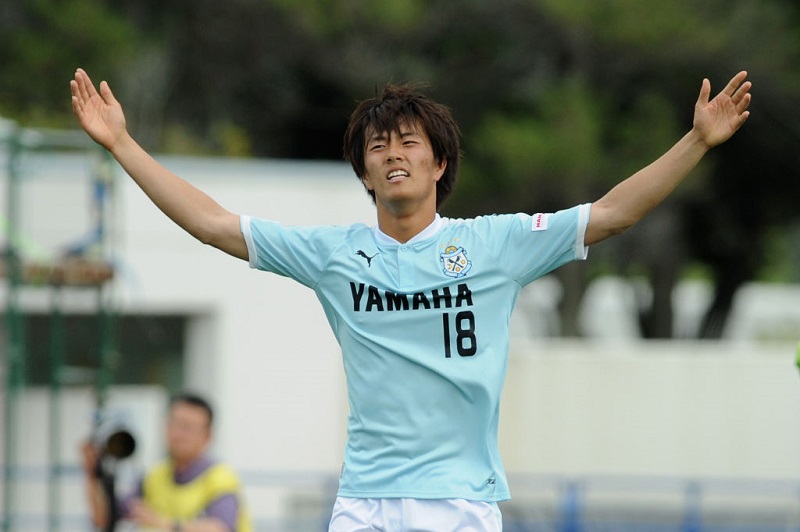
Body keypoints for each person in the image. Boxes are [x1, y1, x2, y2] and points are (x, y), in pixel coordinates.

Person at [71, 67, 752, 531]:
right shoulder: (334, 254)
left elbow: (611, 215)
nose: (392, 153)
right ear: (365, 173)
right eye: (378, 146)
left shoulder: (494, 245)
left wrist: (697, 140)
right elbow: (214, 224)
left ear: (439, 162)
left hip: (459, 506)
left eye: (407, 142)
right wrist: (123, 144)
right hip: (364, 504)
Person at [82, 393, 252, 532]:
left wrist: (165, 524)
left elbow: (222, 528)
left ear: (207, 436)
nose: (179, 434)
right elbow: (104, 518)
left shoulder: (220, 478)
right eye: (175, 423)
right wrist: (93, 474)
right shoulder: (155, 476)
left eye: (188, 427)